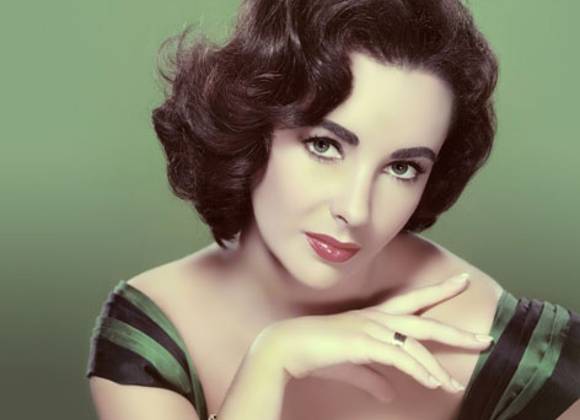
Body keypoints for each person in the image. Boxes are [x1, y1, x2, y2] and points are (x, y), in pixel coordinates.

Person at [85, 0, 580, 419]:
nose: (356, 209)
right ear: (252, 129)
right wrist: (270, 361)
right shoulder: (152, 335)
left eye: (402, 168)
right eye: (324, 146)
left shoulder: (509, 351)